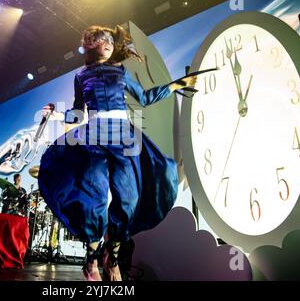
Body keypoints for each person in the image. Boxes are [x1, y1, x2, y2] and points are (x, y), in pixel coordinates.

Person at [38, 25, 198, 281]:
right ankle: (91, 262)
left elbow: (144, 97)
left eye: (111, 40)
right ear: (91, 45)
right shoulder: (81, 76)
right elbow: (79, 111)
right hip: (94, 137)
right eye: (103, 40)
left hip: (124, 137)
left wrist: (177, 85)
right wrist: (57, 114)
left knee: (128, 199)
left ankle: (111, 257)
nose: (109, 43)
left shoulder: (120, 71)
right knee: (94, 197)